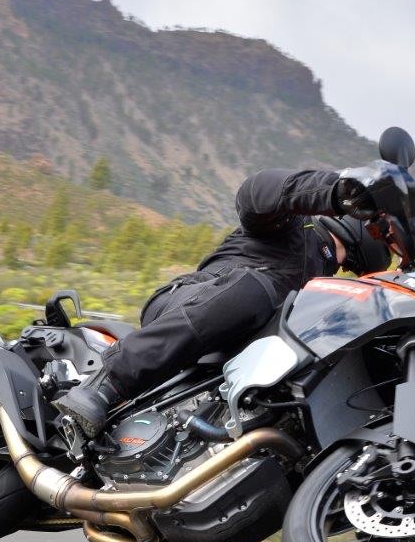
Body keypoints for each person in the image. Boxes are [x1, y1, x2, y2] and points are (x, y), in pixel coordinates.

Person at [53, 167, 390, 437]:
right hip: (185, 301)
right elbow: (256, 193)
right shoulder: (296, 225)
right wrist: (335, 190)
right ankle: (108, 382)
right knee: (255, 290)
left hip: (223, 345)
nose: (383, 238)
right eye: (380, 230)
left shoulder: (326, 284)